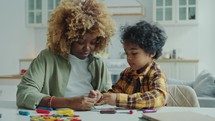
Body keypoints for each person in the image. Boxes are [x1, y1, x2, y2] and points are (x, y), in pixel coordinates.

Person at [16, 0, 115, 110]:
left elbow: (108, 94)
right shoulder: (47, 58)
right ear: (67, 37)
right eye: (80, 42)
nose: (87, 48)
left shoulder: (98, 62)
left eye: (92, 42)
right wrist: (69, 102)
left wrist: (99, 97)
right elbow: (24, 94)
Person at [102, 20, 168, 109]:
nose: (128, 58)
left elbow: (158, 97)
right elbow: (114, 93)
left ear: (152, 52)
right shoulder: (127, 73)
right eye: (126, 53)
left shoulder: (156, 74)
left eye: (134, 53)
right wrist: (102, 97)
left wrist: (119, 99)